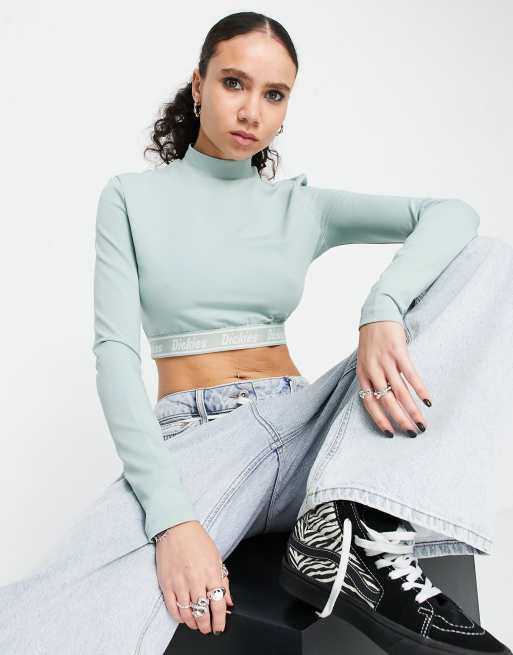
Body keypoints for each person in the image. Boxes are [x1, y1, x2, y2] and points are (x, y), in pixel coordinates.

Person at [1, 10, 512, 655]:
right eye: (234, 83)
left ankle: (348, 539)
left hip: (302, 424)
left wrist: (382, 307)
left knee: (488, 263)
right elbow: (115, 358)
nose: (252, 111)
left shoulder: (300, 206)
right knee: (38, 618)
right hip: (201, 445)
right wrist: (175, 521)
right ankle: (342, 539)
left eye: (274, 95)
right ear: (199, 85)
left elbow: (454, 216)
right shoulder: (130, 198)